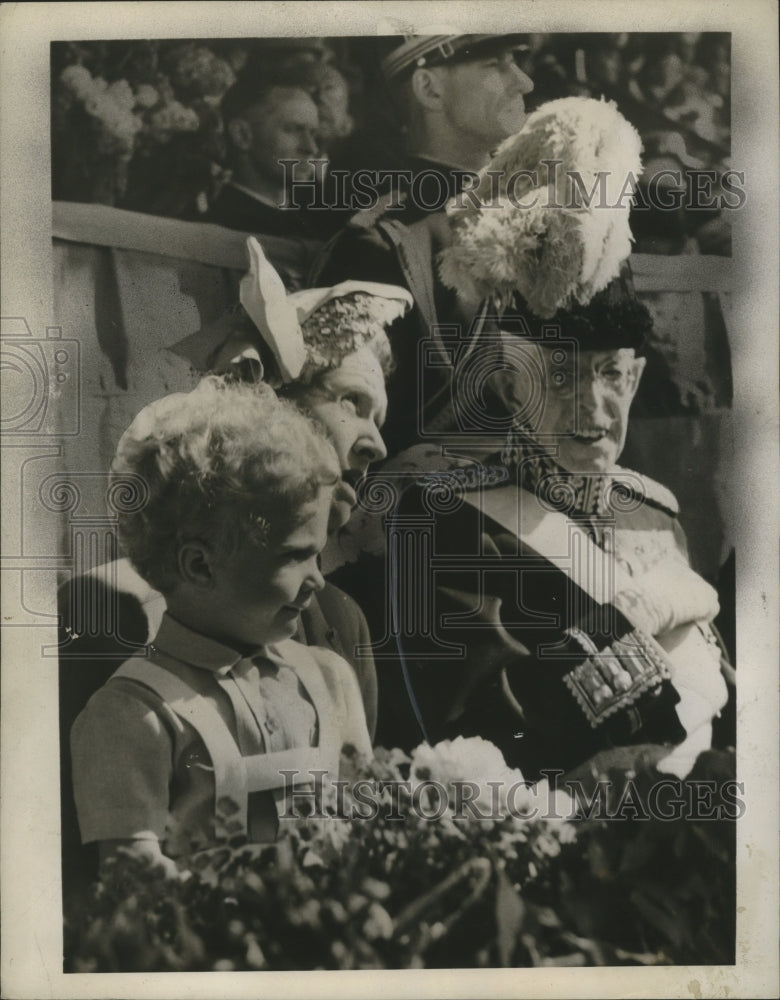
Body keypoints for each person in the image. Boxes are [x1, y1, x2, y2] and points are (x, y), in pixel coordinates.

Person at [58, 238, 413, 746]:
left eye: (379, 420)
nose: (377, 445)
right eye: (351, 402)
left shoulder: (341, 621)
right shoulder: (111, 604)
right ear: (269, 402)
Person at [390, 271, 734, 782]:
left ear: (635, 378)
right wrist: (634, 616)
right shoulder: (452, 522)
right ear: (509, 388)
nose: (593, 407)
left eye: (610, 374)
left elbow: (717, 691)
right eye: (560, 376)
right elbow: (485, 737)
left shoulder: (655, 513)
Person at [70, 376, 373, 873]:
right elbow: (133, 887)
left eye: (319, 553)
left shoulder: (330, 680)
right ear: (200, 566)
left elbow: (369, 827)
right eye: (294, 557)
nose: (318, 578)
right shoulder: (134, 714)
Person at [208, 70, 326, 240]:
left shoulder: (311, 225)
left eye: (313, 133)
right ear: (242, 135)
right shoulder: (220, 230)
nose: (311, 148)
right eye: (292, 129)